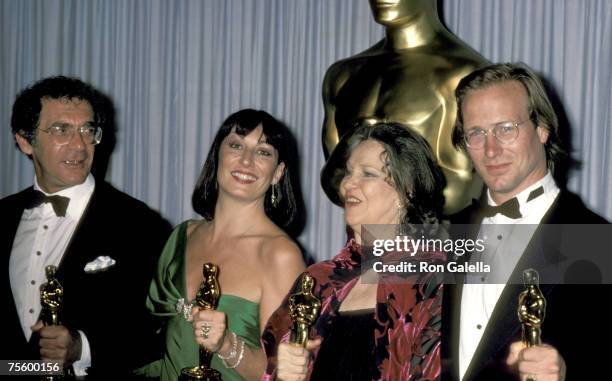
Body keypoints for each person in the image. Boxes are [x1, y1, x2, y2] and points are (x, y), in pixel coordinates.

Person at [443, 63, 609, 380]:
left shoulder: (597, 239)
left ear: (542, 128)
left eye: (506, 128)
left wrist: (568, 372)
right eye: (476, 133)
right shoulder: (442, 235)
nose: (491, 149)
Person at [0, 76, 172, 379]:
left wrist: (83, 347)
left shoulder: (139, 224)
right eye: (61, 130)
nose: (80, 145)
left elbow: (159, 331)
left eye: (88, 130)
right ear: (25, 141)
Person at [262, 121, 447, 380]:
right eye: (349, 172)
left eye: (367, 174)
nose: (348, 183)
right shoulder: (318, 281)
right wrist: (285, 371)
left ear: (407, 190)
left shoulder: (433, 281)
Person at [136, 109, 306, 381]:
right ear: (217, 157)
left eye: (263, 152)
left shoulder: (281, 255)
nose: (247, 161)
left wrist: (226, 344)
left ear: (278, 173)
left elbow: (282, 373)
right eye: (236, 145)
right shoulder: (183, 235)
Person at [321, 0, 489, 214]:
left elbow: (464, 190)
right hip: (363, 239)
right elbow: (334, 181)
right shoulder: (343, 75)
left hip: (432, 240)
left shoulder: (463, 75)